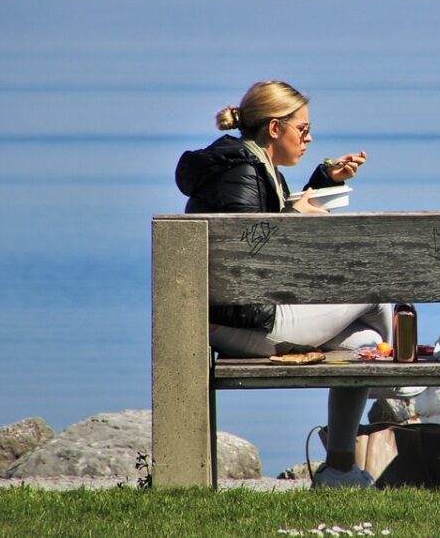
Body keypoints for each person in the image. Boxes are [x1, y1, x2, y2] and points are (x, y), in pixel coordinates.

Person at [175, 79, 415, 489]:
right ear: (274, 129)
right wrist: (296, 218)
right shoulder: (242, 174)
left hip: (249, 317)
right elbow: (255, 257)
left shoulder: (247, 166)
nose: (309, 137)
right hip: (249, 323)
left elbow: (264, 221)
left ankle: (339, 470)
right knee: (374, 288)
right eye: (302, 130)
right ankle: (413, 378)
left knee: (359, 346)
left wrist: (322, 180)